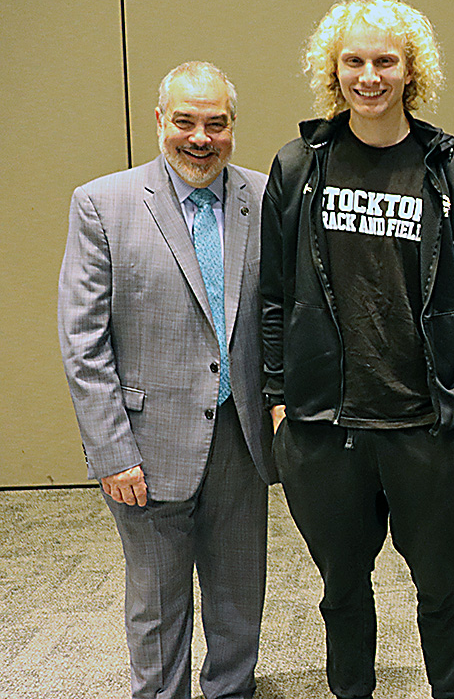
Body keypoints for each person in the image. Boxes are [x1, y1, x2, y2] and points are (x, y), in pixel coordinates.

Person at [261, 0, 454, 699]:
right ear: (333, 71)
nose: (369, 75)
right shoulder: (299, 165)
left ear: (410, 70)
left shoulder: (452, 168)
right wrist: (278, 401)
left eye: (384, 61)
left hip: (426, 424)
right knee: (342, 592)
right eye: (353, 61)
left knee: (442, 592)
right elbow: (272, 293)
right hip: (327, 428)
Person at [58, 62, 274, 699]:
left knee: (240, 597)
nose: (199, 138)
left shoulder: (266, 198)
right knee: (156, 608)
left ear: (233, 127)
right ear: (159, 122)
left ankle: (232, 690)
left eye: (216, 124)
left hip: (242, 437)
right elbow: (83, 341)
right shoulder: (103, 203)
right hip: (144, 446)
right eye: (185, 122)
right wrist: (111, 452)